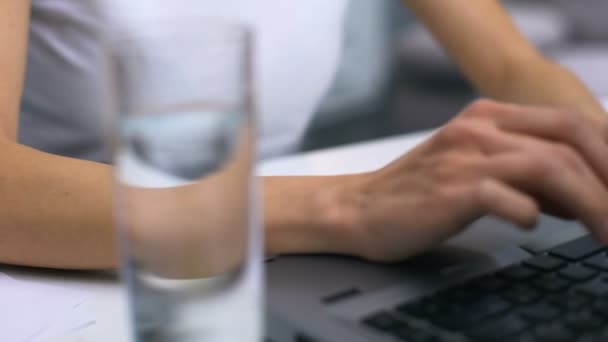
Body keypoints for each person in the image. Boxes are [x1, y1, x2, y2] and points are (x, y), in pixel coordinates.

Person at [2, 0, 607, 270]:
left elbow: (511, 66)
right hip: (73, 269)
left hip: (279, 245)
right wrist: (348, 206)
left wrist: (596, 153)